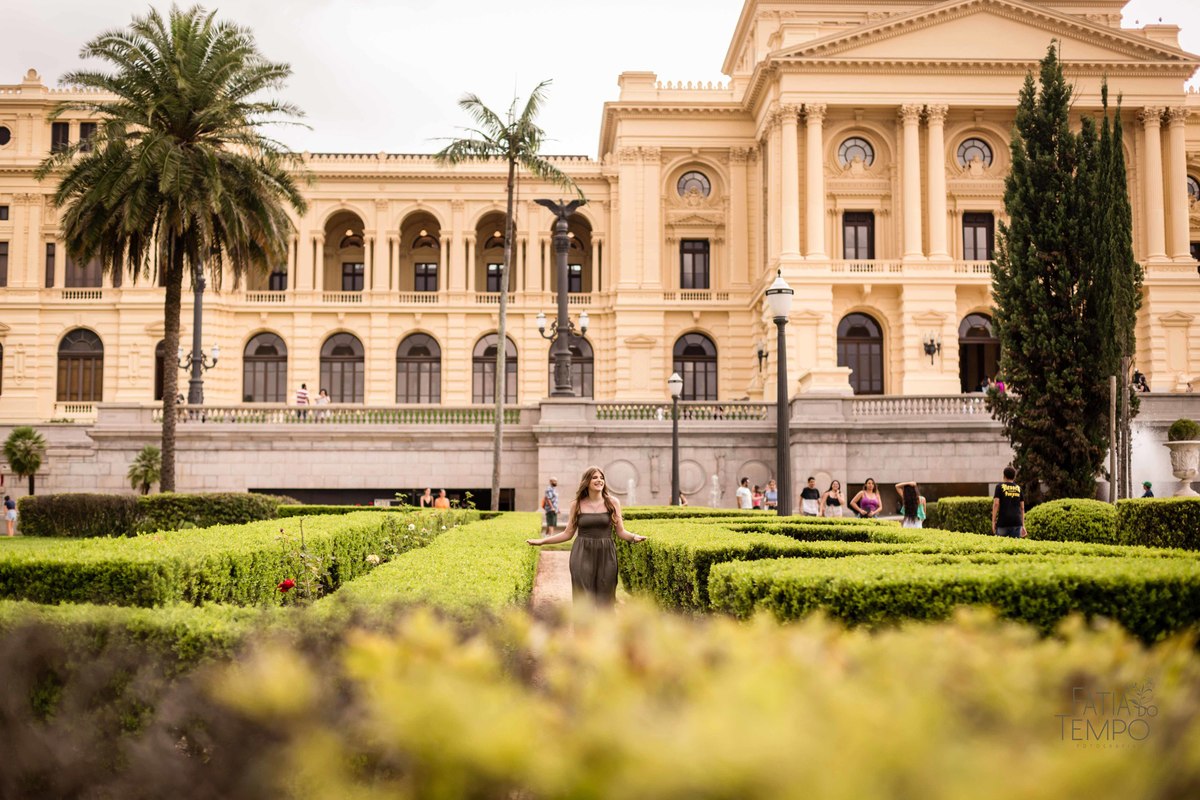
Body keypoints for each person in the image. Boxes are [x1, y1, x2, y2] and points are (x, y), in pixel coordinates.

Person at [527, 466, 647, 606]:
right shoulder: (577, 505)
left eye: (601, 478)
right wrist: (542, 541)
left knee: (606, 597)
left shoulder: (613, 502)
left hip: (606, 554)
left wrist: (633, 537)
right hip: (582, 553)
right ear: (587, 481)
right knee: (583, 597)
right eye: (595, 477)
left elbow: (621, 531)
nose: (599, 480)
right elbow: (567, 533)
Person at [992, 466, 1026, 538]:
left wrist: (993, 521)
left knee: (1001, 544)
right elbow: (1022, 508)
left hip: (1003, 523)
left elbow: (996, 504)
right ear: (1014, 477)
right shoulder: (1018, 488)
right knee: (1014, 545)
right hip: (1017, 523)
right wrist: (1023, 525)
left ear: (1004, 476)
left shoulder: (999, 486)